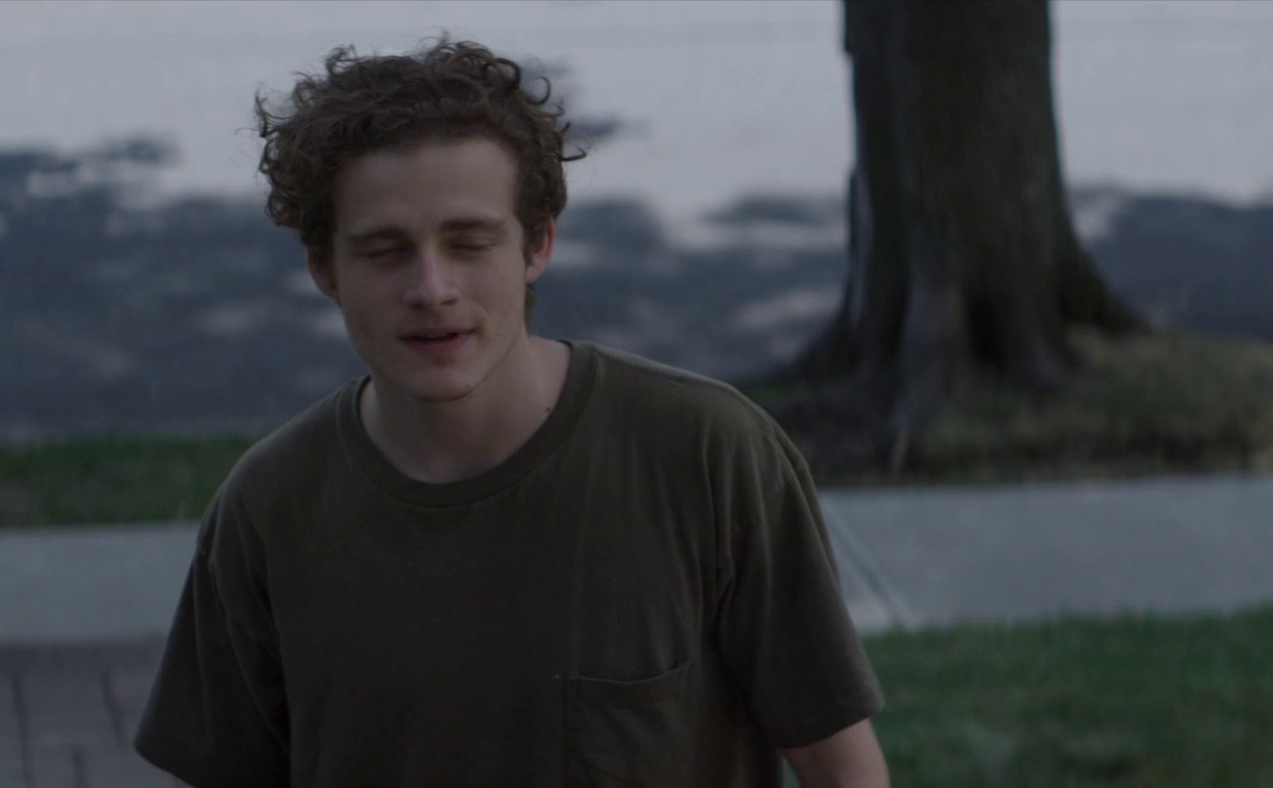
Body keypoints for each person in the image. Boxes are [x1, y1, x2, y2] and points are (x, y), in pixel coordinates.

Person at [134, 35, 889, 788]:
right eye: (384, 250)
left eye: (469, 243)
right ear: (324, 268)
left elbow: (842, 767)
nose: (432, 288)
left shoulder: (706, 454)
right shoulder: (269, 509)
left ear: (537, 246)